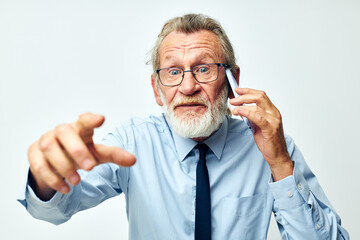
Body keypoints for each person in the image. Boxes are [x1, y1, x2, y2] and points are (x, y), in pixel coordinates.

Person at [18, 14, 349, 239]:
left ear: (232, 80)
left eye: (204, 69)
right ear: (156, 90)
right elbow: (54, 211)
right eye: (173, 72)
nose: (188, 87)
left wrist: (280, 165)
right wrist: (48, 178)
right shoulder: (132, 141)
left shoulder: (272, 147)